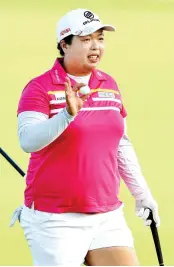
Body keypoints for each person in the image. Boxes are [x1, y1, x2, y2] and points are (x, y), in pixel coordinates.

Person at [10, 8, 160, 266]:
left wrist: (142, 193)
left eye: (100, 38)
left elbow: (120, 144)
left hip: (106, 215)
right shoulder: (40, 87)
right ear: (64, 44)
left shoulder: (108, 84)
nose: (96, 46)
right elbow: (28, 140)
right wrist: (67, 115)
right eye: (86, 39)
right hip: (55, 220)